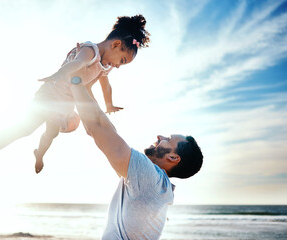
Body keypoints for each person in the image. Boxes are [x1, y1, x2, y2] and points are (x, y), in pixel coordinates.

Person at [0, 14, 151, 186]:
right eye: (123, 60)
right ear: (116, 44)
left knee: (51, 133)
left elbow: (104, 85)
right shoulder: (90, 51)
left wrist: (108, 105)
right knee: (26, 128)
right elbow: (78, 63)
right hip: (49, 95)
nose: (119, 66)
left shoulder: (104, 65)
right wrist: (60, 73)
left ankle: (39, 154)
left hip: (64, 105)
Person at [69, 81, 203, 239]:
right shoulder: (157, 186)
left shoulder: (149, 176)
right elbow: (101, 131)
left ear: (173, 158)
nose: (160, 136)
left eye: (168, 139)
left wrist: (75, 80)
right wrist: (85, 88)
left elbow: (98, 127)